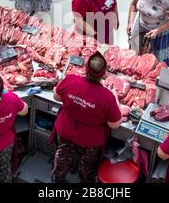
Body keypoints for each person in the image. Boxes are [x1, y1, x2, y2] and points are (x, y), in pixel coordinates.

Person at [52, 51, 123, 183]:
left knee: (62, 156)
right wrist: (116, 99)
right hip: (90, 139)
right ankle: (85, 181)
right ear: (103, 75)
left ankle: (57, 178)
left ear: (85, 69)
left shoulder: (71, 80)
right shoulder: (108, 97)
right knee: (87, 164)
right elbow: (115, 124)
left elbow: (56, 97)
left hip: (66, 130)